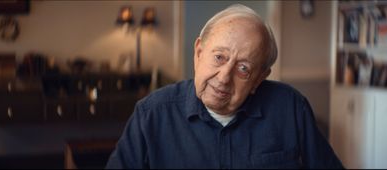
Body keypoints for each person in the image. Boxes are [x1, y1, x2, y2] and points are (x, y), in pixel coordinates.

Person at [106, 4, 343, 169]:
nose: (224, 77)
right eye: (219, 57)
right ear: (198, 53)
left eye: (243, 69)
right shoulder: (151, 114)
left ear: (259, 79)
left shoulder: (291, 108)